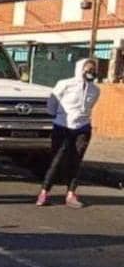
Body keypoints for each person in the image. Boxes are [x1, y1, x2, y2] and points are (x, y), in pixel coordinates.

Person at [38, 58, 100, 208]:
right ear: (80, 69)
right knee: (57, 160)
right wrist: (56, 116)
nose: (90, 73)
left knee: (76, 160)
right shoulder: (65, 84)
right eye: (88, 69)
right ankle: (44, 192)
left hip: (82, 127)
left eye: (93, 70)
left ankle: (71, 193)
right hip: (62, 126)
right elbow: (52, 103)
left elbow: (89, 107)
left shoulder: (95, 90)